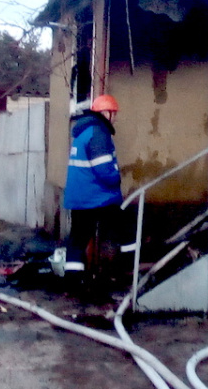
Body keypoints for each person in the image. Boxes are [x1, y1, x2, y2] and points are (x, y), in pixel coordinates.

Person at [63, 94, 126, 289]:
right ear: (105, 113)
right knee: (119, 231)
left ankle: (73, 281)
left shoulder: (82, 131)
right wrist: (117, 177)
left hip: (78, 197)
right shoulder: (99, 132)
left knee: (78, 239)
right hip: (97, 197)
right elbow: (104, 170)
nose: (114, 117)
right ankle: (118, 274)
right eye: (113, 113)